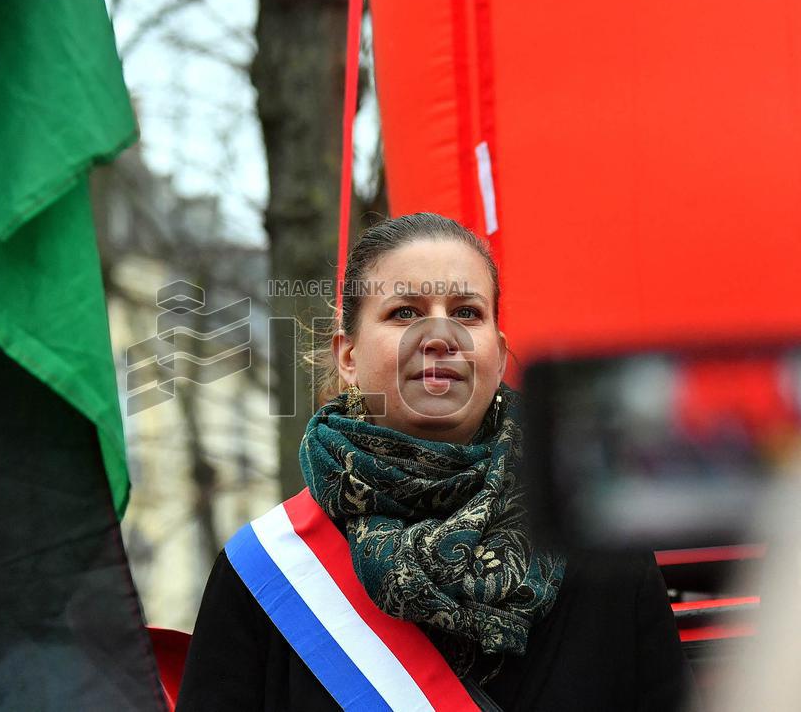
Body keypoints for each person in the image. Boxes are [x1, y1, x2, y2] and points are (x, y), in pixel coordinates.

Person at [176, 213, 692, 711]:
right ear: (348, 357)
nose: (441, 337)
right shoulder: (268, 571)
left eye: (467, 313)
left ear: (499, 351)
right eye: (404, 313)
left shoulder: (603, 549)